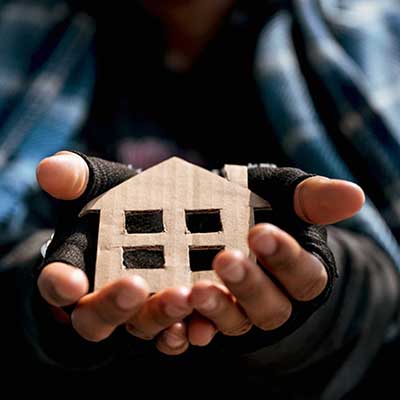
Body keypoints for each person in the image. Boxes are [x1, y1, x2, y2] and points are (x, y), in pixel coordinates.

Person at [1, 0, 400, 398]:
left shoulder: (379, 39)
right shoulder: (16, 35)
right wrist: (47, 300)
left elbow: (388, 275)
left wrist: (321, 292)